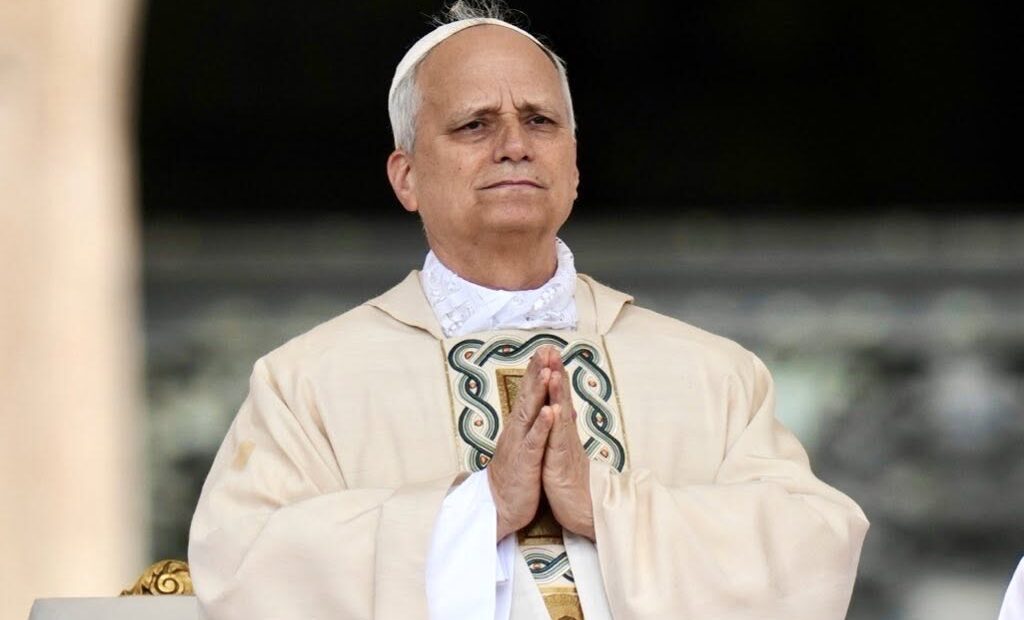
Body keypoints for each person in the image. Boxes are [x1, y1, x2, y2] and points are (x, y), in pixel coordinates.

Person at [187, 3, 869, 619]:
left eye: (540, 121)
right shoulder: (306, 386)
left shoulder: (714, 376)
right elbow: (242, 568)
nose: (514, 144)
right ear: (407, 176)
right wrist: (477, 510)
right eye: (474, 124)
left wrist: (603, 505)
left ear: (574, 166)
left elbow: (814, 547)